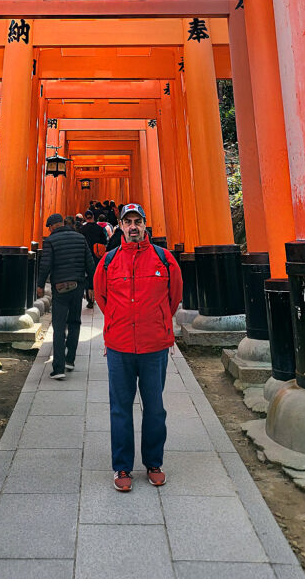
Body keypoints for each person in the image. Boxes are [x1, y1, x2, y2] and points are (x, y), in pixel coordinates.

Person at [93, 203, 183, 493]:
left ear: (145, 226)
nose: (133, 227)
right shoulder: (108, 262)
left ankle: (153, 463)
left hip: (154, 345)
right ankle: (122, 466)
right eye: (128, 222)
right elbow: (102, 298)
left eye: (138, 222)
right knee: (120, 408)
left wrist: (156, 323)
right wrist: (119, 323)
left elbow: (174, 298)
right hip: (119, 345)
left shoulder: (164, 259)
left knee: (155, 408)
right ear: (120, 226)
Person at [38, 212, 95, 379]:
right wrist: (91, 286)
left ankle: (59, 368)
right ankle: (70, 360)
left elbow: (45, 265)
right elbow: (90, 263)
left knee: (59, 325)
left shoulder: (51, 241)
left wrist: (40, 285)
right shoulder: (79, 238)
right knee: (75, 322)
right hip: (77, 286)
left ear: (52, 227)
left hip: (60, 287)